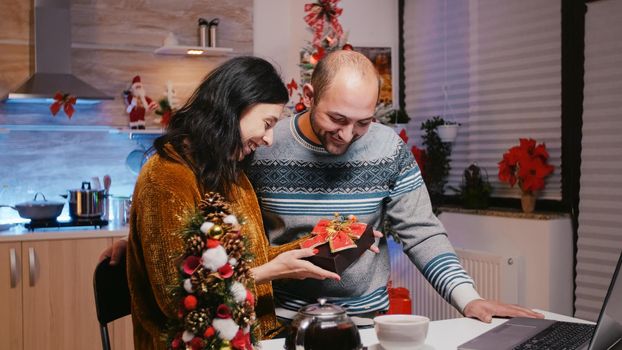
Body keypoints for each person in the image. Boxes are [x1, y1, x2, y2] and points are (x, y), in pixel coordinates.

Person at [103, 51, 541, 326]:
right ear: (309, 95)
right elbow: (204, 208)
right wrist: (138, 239)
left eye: (364, 121)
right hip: (278, 321)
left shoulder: (388, 148)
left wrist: (469, 299)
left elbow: (422, 231)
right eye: (338, 119)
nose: (350, 135)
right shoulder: (256, 146)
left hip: (365, 320)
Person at [124, 56, 362, 349]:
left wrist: (325, 242)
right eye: (267, 123)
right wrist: (270, 272)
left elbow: (250, 260)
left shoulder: (231, 175)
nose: (269, 139)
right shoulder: (165, 177)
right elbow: (177, 299)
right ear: (234, 107)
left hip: (255, 339)